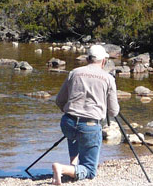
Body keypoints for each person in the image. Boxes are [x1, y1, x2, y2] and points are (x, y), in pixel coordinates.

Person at [51, 44, 119, 184]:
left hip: (67, 123)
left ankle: (73, 165)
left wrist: (71, 112)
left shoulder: (74, 72)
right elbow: (113, 112)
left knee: (75, 132)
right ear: (104, 61)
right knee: (90, 171)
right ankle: (62, 169)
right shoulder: (108, 78)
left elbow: (59, 100)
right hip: (89, 126)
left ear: (87, 59)